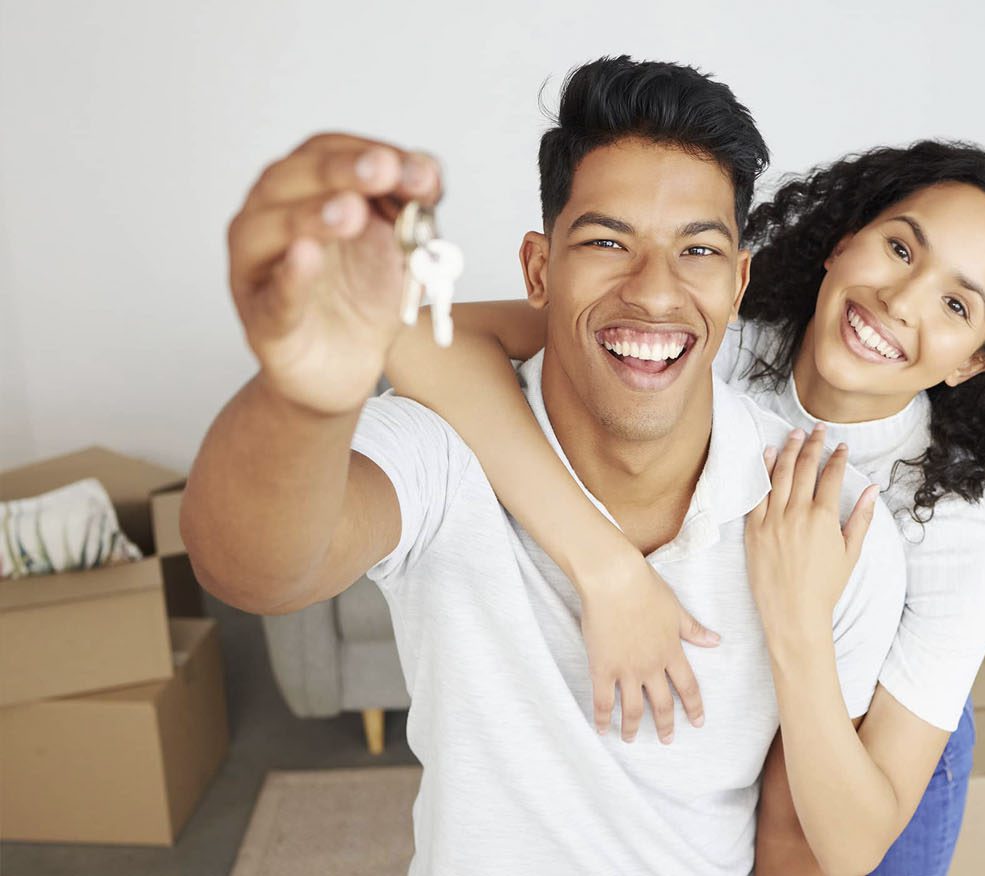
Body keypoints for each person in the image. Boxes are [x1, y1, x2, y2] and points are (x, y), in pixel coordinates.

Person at [179, 56, 908, 876]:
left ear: (738, 283)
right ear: (538, 270)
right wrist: (303, 396)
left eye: (697, 251)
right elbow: (253, 571)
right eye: (606, 241)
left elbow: (801, 839)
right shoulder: (445, 445)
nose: (655, 292)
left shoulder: (824, 518)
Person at [385, 141, 985, 873]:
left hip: (870, 766)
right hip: (731, 721)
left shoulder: (958, 530)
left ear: (970, 361)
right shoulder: (707, 346)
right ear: (844, 243)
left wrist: (797, 615)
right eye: (899, 249)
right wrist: (604, 568)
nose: (899, 301)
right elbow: (412, 334)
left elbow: (850, 844)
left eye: (955, 304)